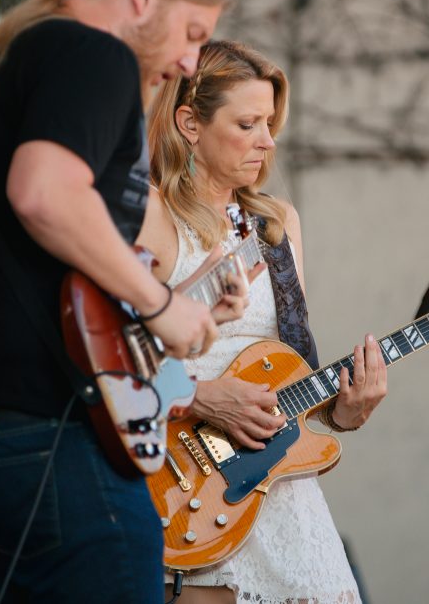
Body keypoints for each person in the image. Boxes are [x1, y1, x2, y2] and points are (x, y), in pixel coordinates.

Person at [0, 0, 239, 602]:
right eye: (193, 32)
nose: (189, 60)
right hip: (40, 424)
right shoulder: (92, 53)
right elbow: (45, 193)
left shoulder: (26, 54)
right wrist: (160, 303)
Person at [139, 40, 389, 604]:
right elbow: (108, 355)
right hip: (179, 483)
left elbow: (286, 364)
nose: (267, 141)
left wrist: (344, 409)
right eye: (248, 122)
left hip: (276, 488)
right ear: (190, 123)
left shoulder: (276, 223)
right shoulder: (151, 215)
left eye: (270, 123)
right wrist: (199, 396)